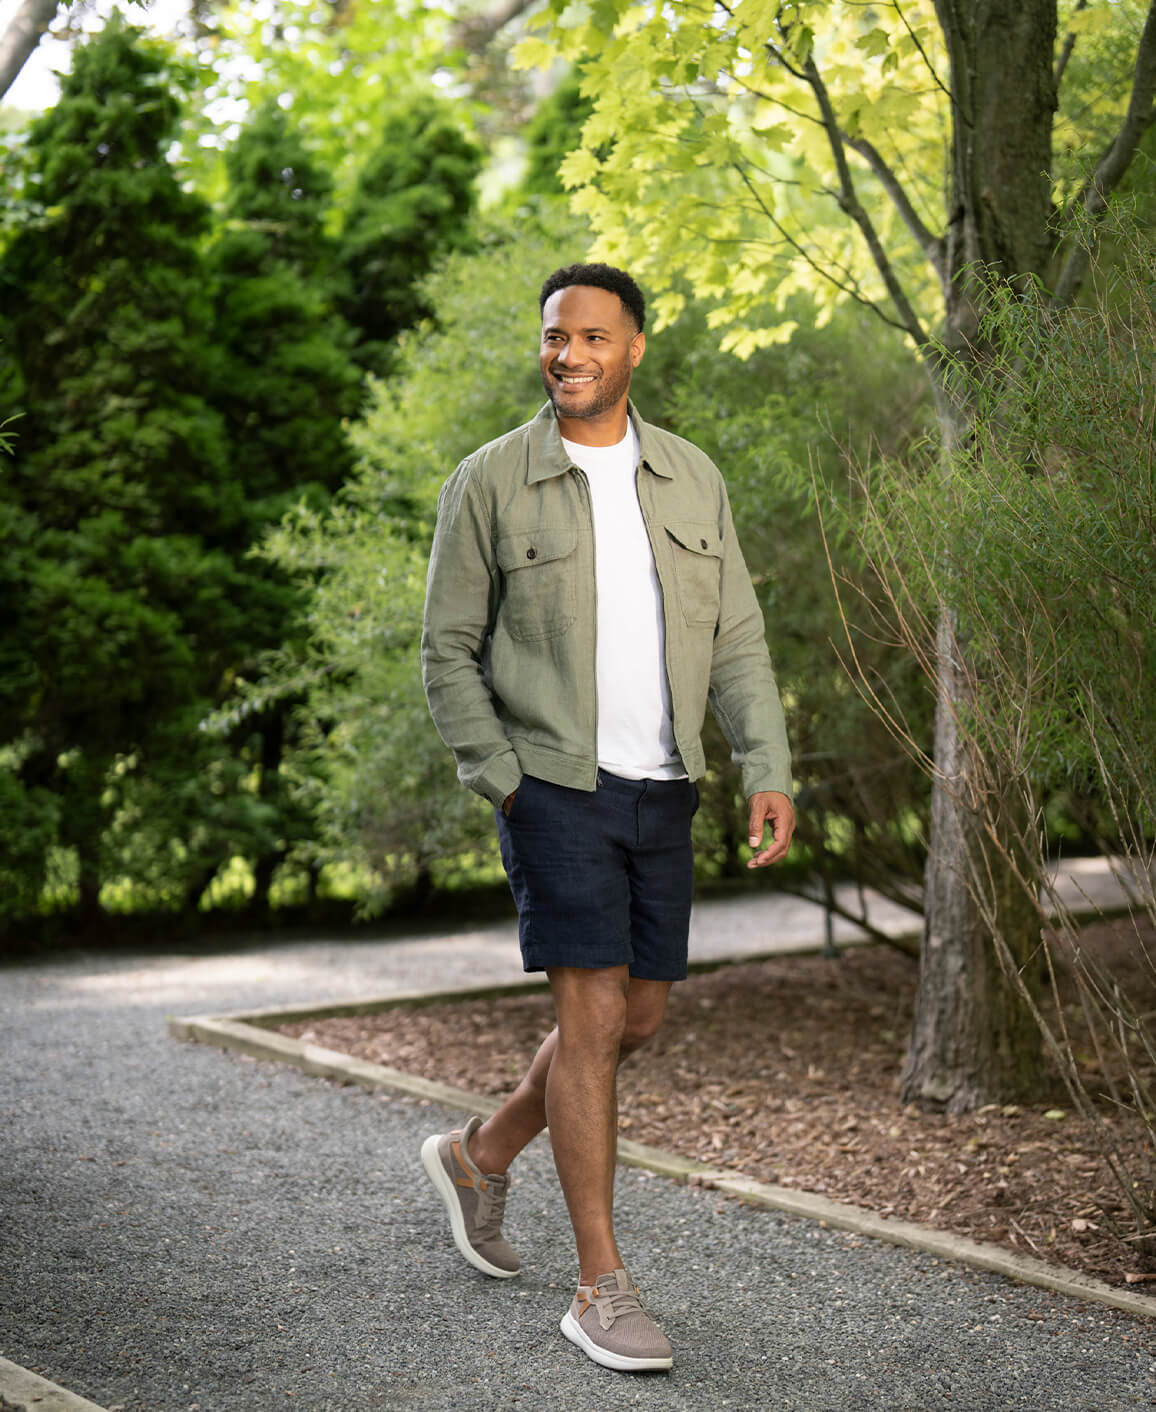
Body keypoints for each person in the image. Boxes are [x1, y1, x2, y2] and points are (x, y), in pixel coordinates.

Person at [419, 262, 795, 1373]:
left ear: (633, 347)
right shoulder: (490, 480)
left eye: (591, 336)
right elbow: (446, 648)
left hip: (665, 786)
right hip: (552, 786)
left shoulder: (690, 477)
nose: (568, 353)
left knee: (637, 1019)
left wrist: (766, 764)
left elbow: (737, 637)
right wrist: (502, 776)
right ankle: (601, 1287)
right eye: (554, 335)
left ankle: (480, 1153)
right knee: (589, 1022)